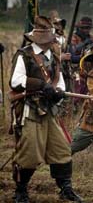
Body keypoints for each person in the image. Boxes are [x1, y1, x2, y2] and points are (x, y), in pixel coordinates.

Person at [9, 16, 82, 202]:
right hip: (30, 110)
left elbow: (60, 82)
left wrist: (58, 92)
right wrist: (42, 85)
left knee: (61, 150)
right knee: (30, 153)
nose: (51, 43)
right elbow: (16, 81)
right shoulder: (24, 55)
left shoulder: (54, 56)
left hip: (50, 110)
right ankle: (21, 190)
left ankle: (65, 188)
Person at [69, 16, 93, 110]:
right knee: (77, 93)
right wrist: (85, 43)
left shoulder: (91, 38)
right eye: (84, 28)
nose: (86, 30)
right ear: (79, 28)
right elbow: (72, 56)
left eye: (88, 28)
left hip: (89, 70)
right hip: (75, 70)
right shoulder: (73, 38)